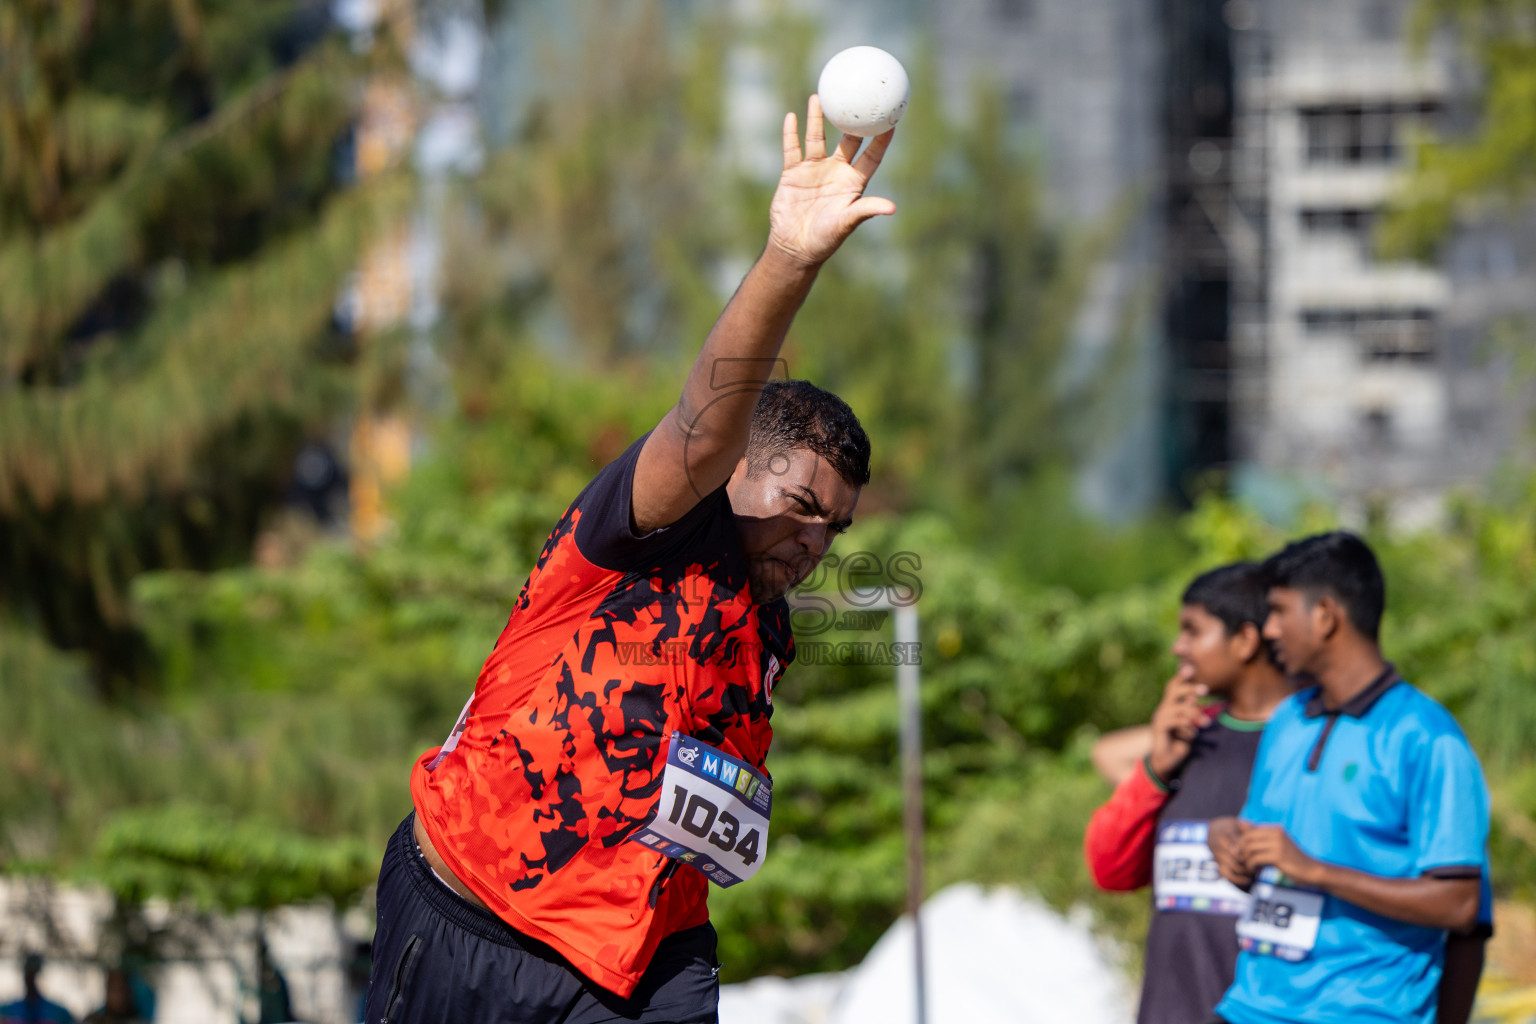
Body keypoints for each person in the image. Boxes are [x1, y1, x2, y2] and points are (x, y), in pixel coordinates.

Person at [364, 95, 896, 1024]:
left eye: (835, 529)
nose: (815, 543)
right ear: (737, 471)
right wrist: (790, 260)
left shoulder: (765, 628)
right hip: (478, 914)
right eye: (802, 506)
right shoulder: (641, 530)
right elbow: (705, 416)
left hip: (644, 956)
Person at [1208, 531, 1492, 1024]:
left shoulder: (1426, 736)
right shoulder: (1287, 719)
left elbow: (1460, 904)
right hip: (1249, 1007)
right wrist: (1228, 840)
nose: (1268, 629)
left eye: (1279, 611)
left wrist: (1316, 871)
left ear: (1325, 616)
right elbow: (1266, 850)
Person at [1084, 562, 1293, 1024]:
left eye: (1192, 631)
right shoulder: (1188, 746)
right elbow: (1110, 869)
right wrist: (1157, 767)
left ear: (1245, 640)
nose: (1178, 647)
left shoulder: (1309, 745)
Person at [0, 954, 75, 1024]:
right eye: (29, 974)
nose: (31, 979)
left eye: (33, 974)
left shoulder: (59, 1013)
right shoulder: (7, 1011)